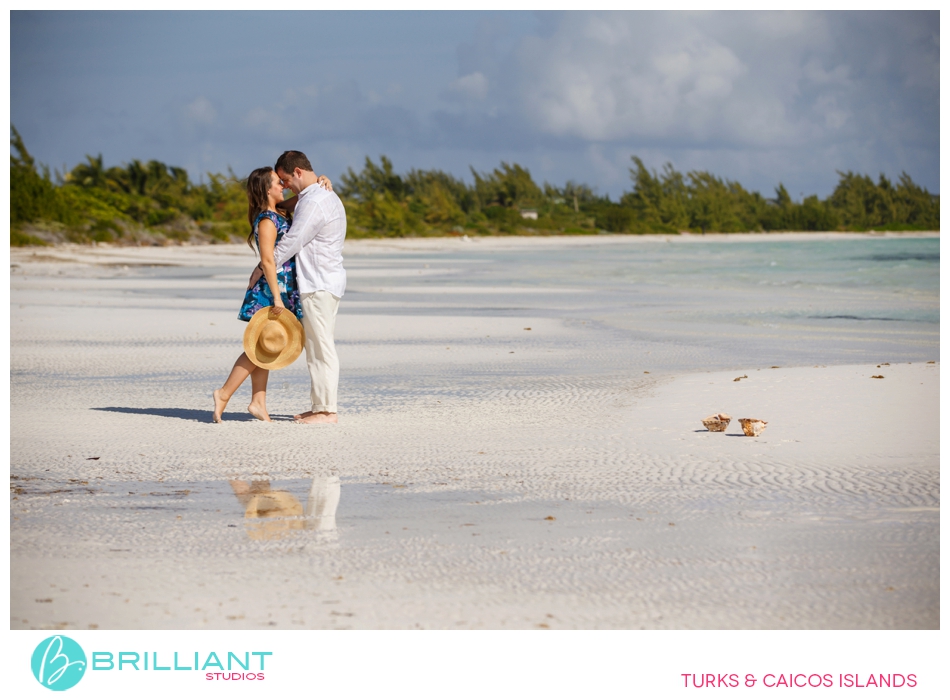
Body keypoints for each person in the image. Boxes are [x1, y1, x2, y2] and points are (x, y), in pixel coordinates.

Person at [248, 150, 347, 424]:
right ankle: (320, 408)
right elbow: (287, 206)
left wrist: (261, 267)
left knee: (322, 347)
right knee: (316, 348)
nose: (285, 186)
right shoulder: (313, 197)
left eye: (286, 179)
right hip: (323, 281)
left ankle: (327, 412)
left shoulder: (314, 202)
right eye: (279, 182)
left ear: (298, 173)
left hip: (319, 283)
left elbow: (292, 241)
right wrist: (318, 182)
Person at [212, 167, 308, 423]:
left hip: (281, 287)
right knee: (256, 348)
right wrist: (277, 298)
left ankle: (258, 402)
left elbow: (304, 195)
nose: (283, 186)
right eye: (279, 183)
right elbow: (267, 261)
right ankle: (223, 393)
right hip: (271, 290)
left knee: (267, 344)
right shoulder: (267, 219)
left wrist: (321, 181)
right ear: (267, 189)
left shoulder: (279, 212)